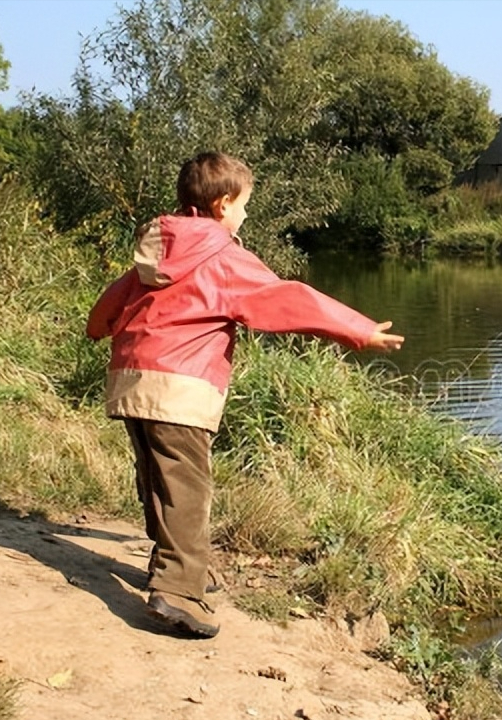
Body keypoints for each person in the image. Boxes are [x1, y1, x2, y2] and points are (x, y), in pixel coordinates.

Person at [86, 151, 404, 638]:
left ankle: (171, 566)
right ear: (223, 204)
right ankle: (177, 592)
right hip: (180, 386)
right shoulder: (221, 257)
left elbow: (116, 296)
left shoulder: (158, 252)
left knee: (157, 478)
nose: (246, 216)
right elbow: (289, 299)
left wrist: (98, 327)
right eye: (245, 206)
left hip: (132, 377)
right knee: (188, 489)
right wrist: (357, 330)